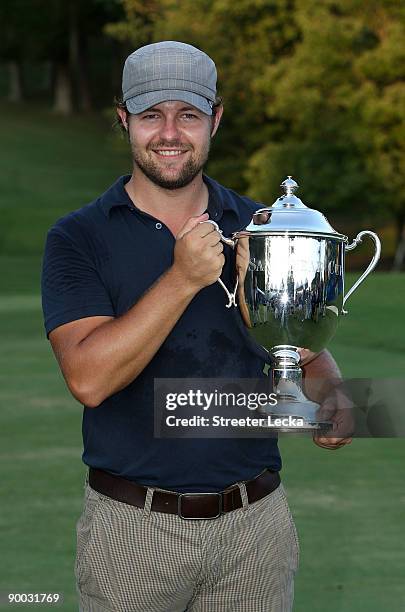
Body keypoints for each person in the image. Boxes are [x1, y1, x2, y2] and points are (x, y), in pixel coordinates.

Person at [41, 41, 352, 612]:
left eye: (187, 114)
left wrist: (331, 394)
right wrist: (183, 279)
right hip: (132, 533)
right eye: (150, 114)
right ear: (123, 119)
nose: (169, 132)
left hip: (256, 529)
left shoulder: (263, 226)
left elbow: (303, 350)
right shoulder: (78, 237)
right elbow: (88, 379)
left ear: (215, 119)